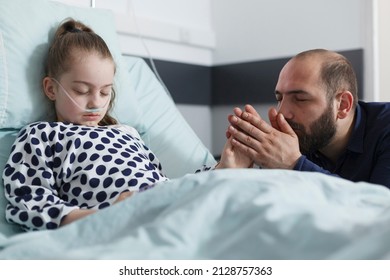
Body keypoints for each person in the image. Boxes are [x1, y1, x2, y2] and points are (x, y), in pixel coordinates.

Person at [2, 18, 251, 231]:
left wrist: (220, 169)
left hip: (168, 205)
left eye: (105, 92)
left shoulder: (127, 133)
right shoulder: (41, 136)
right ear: (51, 88)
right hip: (122, 222)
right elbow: (30, 205)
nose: (95, 103)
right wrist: (107, 217)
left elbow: (163, 181)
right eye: (81, 90)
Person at [226, 48, 390, 189]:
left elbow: (380, 210)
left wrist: (293, 164)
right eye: (279, 99)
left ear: (342, 105)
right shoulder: (302, 137)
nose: (282, 113)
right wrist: (234, 175)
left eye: (300, 99)